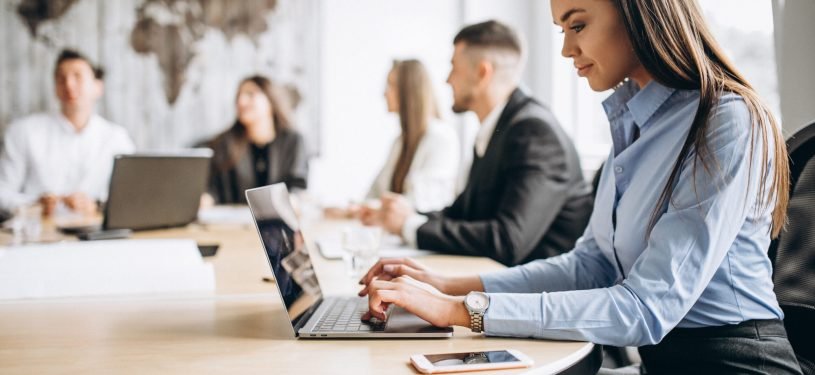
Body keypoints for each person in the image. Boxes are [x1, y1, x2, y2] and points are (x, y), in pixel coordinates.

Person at [358, 1, 804, 373]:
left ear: (637, 13)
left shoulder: (725, 120)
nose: (567, 49)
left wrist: (462, 310)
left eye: (578, 24)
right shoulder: (634, 124)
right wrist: (448, 285)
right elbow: (589, 265)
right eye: (561, 31)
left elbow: (645, 308)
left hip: (736, 365)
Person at [361, 20, 592, 267]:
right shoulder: (497, 128)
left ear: (482, 73)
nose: (448, 80)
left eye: (454, 68)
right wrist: (407, 216)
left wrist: (409, 226)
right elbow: (462, 213)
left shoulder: (535, 133)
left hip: (541, 294)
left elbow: (508, 240)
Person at [0, 49, 135, 218]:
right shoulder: (23, 131)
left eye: (77, 76)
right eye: (61, 78)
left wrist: (96, 205)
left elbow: (131, 196)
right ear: (55, 88)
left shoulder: (117, 139)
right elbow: (2, 192)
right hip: (37, 235)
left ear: (97, 87)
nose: (69, 85)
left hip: (97, 237)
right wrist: (34, 204)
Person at [327, 59, 459, 218]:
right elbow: (375, 192)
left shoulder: (441, 138)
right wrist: (352, 209)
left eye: (391, 85)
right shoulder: (400, 142)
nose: (384, 93)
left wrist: (363, 209)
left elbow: (420, 202)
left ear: (409, 91)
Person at [204, 75, 308, 204]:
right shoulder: (223, 143)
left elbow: (298, 185)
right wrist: (207, 198)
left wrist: (293, 199)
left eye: (250, 94)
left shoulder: (293, 141)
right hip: (232, 221)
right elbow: (214, 188)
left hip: (277, 219)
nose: (241, 101)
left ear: (270, 100)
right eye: (238, 97)